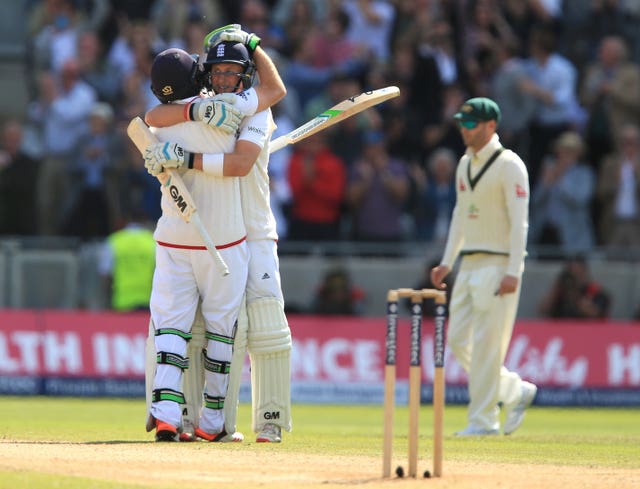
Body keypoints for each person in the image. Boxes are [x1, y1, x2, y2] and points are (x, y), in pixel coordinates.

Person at [143, 26, 291, 443]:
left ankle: (264, 422)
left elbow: (242, 160)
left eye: (233, 71)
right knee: (212, 330)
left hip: (246, 229)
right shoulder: (229, 107)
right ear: (203, 73)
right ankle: (199, 421)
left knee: (257, 328)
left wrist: (186, 155)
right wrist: (197, 116)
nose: (225, 79)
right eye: (218, 71)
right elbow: (273, 89)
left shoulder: (245, 107)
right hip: (223, 237)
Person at [430, 97, 537, 436]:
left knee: (489, 346)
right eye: (462, 122)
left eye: (471, 123)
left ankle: (484, 421)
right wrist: (447, 262)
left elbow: (520, 223)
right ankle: (513, 390)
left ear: (492, 126)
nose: (464, 128)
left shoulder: (510, 164)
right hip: (469, 265)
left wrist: (513, 271)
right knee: (459, 340)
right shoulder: (464, 164)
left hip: (498, 264)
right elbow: (460, 215)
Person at [538, 256, 611, 319]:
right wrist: (557, 287)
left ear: (585, 272)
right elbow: (543, 310)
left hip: (587, 331)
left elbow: (596, 315)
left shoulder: (596, 292)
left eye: (578, 272)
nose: (575, 276)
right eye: (571, 272)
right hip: (562, 329)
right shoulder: (561, 292)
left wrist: (576, 296)